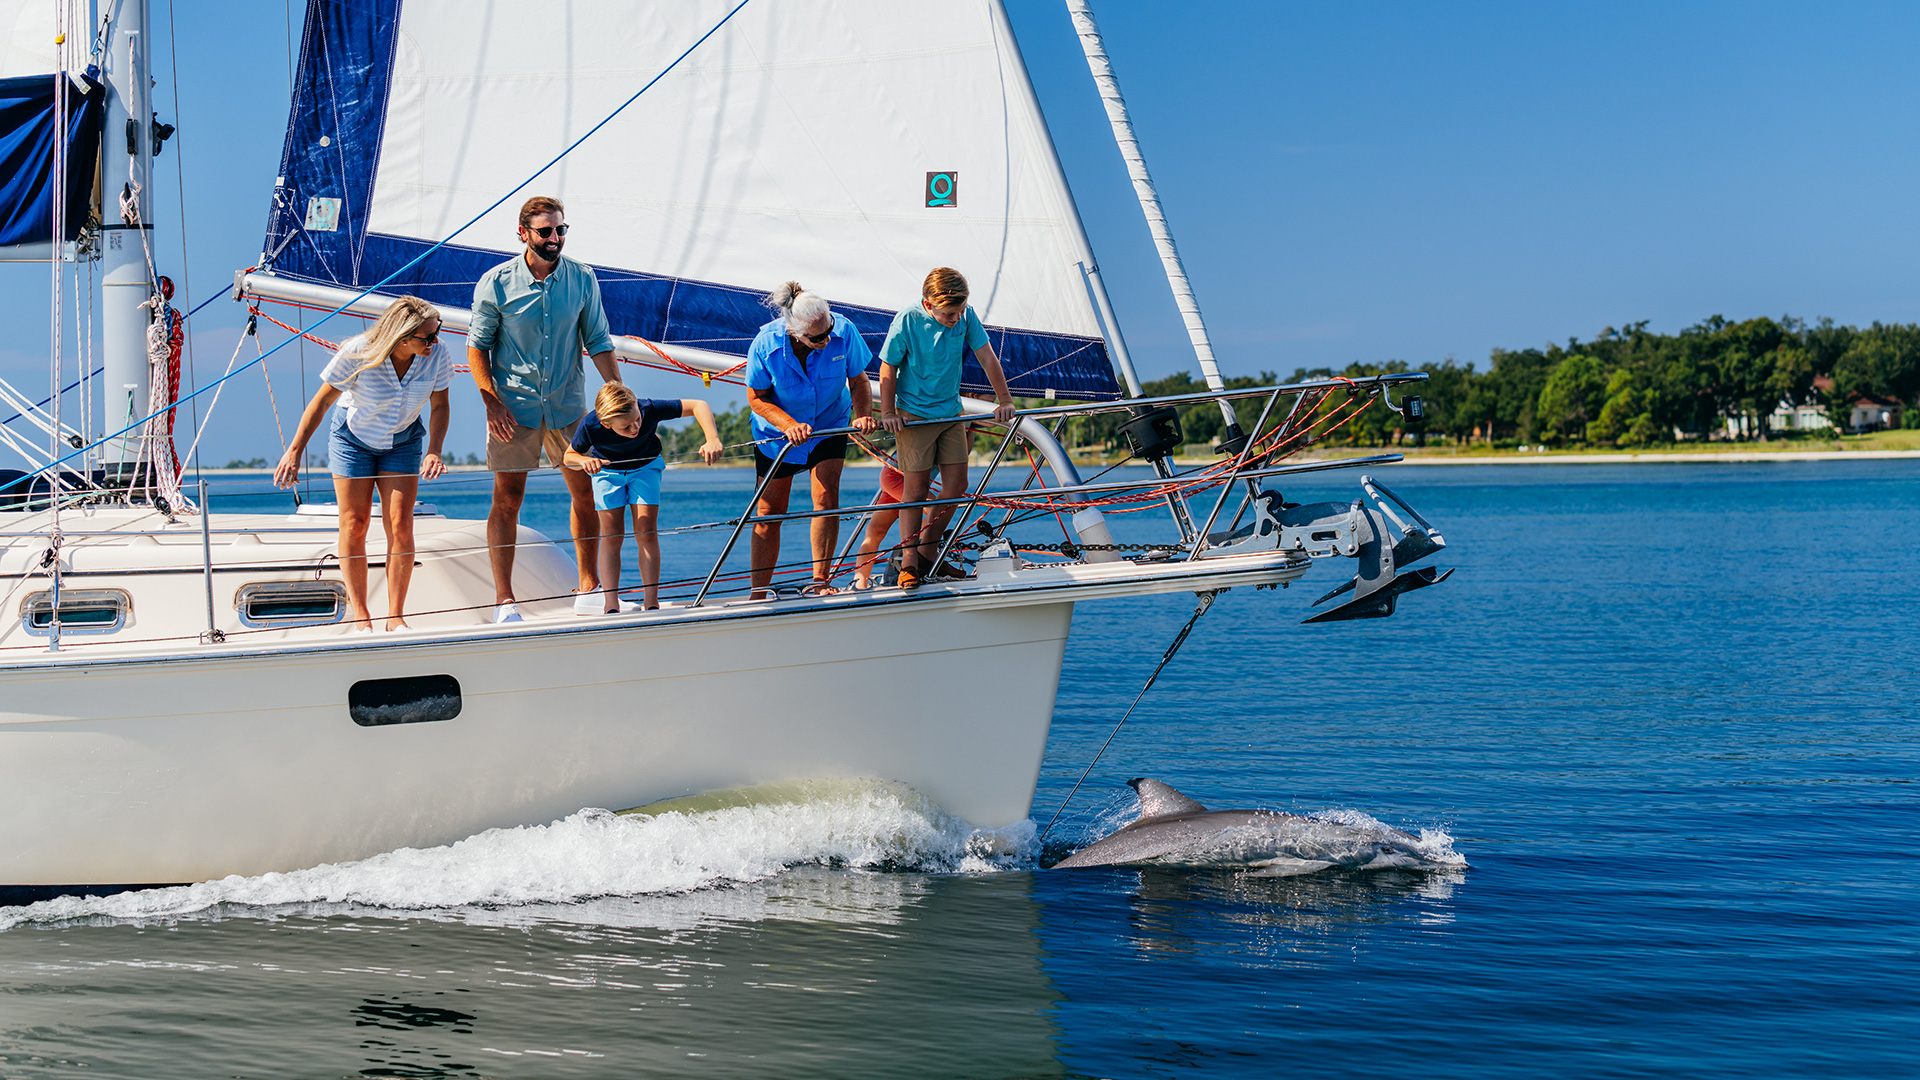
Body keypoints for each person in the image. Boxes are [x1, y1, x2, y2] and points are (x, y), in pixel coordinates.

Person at [469, 195, 624, 623]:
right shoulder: (496, 282)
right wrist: (490, 403)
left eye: (560, 230)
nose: (554, 238)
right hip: (511, 410)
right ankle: (505, 601)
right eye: (545, 231)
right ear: (523, 234)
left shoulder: (582, 278)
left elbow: (598, 340)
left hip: (568, 406)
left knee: (585, 492)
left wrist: (619, 397)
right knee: (508, 499)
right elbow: (477, 348)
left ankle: (590, 588)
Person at [273, 296, 451, 631]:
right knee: (355, 523)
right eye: (427, 337)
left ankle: (395, 615)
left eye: (436, 333)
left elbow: (440, 405)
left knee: (401, 524)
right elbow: (322, 402)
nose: (435, 341)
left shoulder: (437, 354)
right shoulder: (358, 351)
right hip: (352, 440)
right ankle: (361, 614)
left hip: (404, 440)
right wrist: (294, 451)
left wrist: (435, 450)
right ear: (402, 336)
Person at [877, 267, 1016, 589]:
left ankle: (927, 552)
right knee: (914, 490)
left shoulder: (965, 317)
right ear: (928, 305)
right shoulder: (908, 320)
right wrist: (887, 411)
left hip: (950, 411)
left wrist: (1004, 399)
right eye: (949, 314)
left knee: (957, 484)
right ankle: (908, 564)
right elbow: (888, 366)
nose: (956, 319)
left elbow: (987, 357)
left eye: (960, 311)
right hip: (913, 415)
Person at [744, 282, 879, 598]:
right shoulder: (766, 345)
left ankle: (821, 582)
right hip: (776, 434)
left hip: (829, 423)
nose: (827, 340)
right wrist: (789, 424)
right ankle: (758, 593)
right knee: (769, 512)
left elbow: (858, 381)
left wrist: (862, 415)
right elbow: (756, 397)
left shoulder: (844, 331)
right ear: (794, 331)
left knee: (826, 498)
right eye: (818, 338)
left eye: (829, 330)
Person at [564, 384, 724, 612]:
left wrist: (712, 438)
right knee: (612, 535)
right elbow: (569, 455)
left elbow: (699, 405)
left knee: (646, 531)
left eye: (637, 419)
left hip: (646, 468)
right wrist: (583, 461)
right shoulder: (591, 424)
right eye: (626, 426)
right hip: (608, 472)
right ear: (606, 424)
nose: (635, 427)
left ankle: (651, 602)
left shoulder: (648, 408)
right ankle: (610, 605)